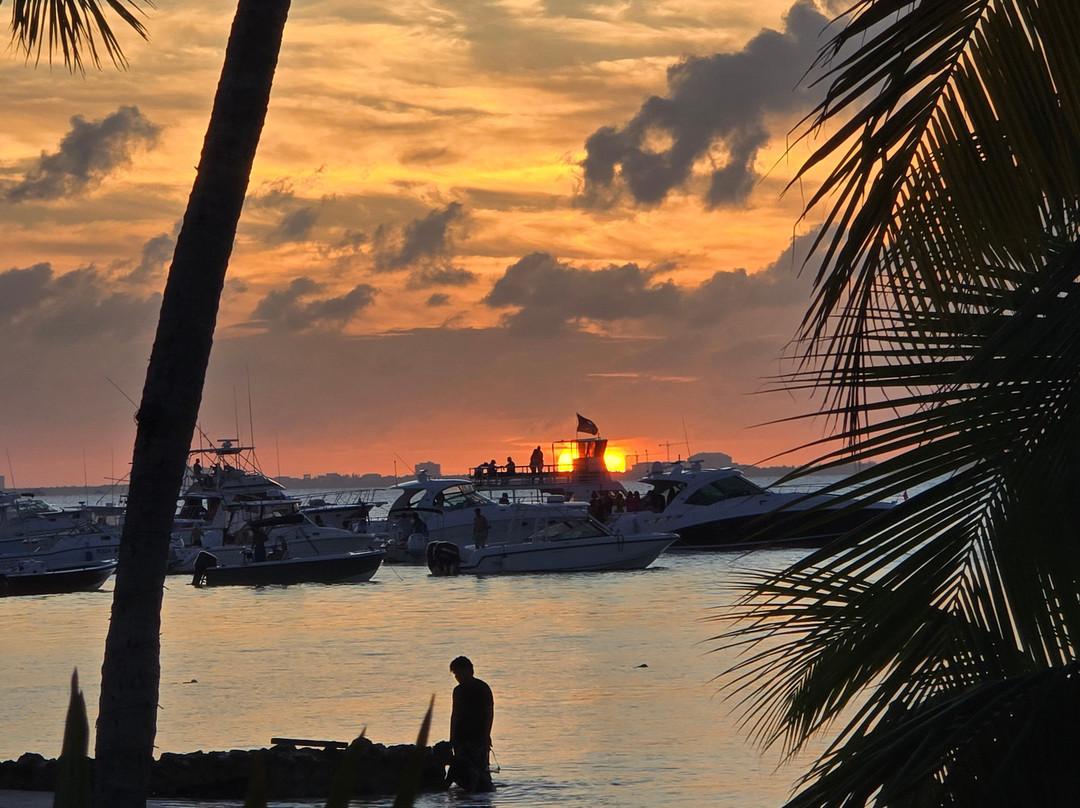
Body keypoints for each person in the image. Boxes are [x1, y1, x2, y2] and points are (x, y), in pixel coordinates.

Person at [447, 656, 494, 792]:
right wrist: (452, 738)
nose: (458, 677)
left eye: (460, 673)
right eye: (456, 675)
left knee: (480, 770)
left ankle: (480, 796)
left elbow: (489, 713)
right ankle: (466, 795)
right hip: (460, 737)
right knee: (461, 768)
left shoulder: (482, 688)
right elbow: (455, 714)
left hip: (478, 737)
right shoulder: (458, 691)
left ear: (469, 671)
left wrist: (486, 735)